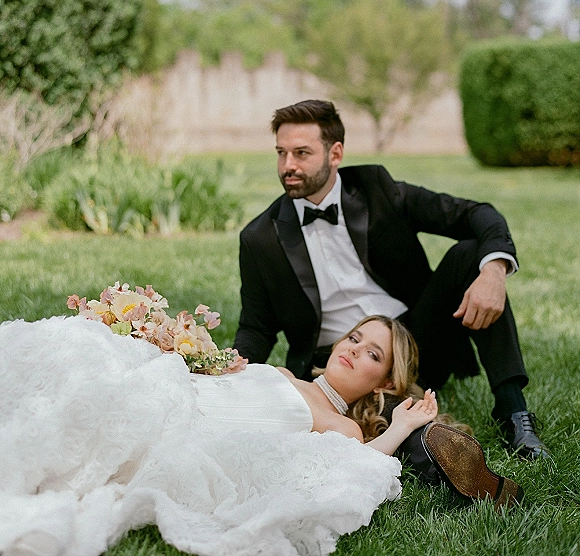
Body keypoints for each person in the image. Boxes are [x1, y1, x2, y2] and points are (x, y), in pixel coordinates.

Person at [0, 312, 520, 556]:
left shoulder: (339, 424)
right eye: (355, 337)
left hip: (186, 426)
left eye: (372, 354)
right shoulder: (287, 374)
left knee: (88, 427)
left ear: (384, 381)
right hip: (179, 390)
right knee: (72, 358)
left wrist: (404, 426)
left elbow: (361, 464)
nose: (353, 349)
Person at [233, 99, 550, 474]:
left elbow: (474, 214)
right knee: (380, 421)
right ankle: (435, 456)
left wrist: (495, 270)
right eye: (281, 153)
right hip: (342, 369)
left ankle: (513, 412)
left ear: (335, 153)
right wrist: (230, 367)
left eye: (302, 153)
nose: (288, 166)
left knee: (469, 256)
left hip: (415, 343)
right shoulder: (260, 237)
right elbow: (256, 326)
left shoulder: (377, 190)